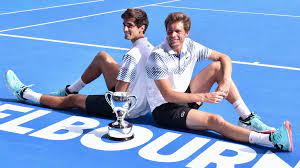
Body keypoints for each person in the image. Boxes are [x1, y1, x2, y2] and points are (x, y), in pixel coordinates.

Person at [145, 12, 293, 151]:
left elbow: (224, 58)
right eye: (170, 31)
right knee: (215, 120)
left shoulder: (190, 46)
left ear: (187, 33)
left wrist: (225, 82)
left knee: (218, 68)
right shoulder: (157, 56)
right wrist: (204, 97)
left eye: (178, 31)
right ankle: (271, 140)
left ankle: (246, 118)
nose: (173, 35)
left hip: (184, 96)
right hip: (165, 110)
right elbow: (168, 96)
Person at [5, 8, 153, 119]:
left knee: (72, 101)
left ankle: (25, 94)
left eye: (130, 25)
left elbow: (119, 94)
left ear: (142, 28)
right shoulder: (151, 49)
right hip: (142, 105)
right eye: (124, 25)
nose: (125, 29)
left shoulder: (131, 56)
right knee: (103, 57)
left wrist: (102, 100)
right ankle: (70, 89)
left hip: (128, 108)